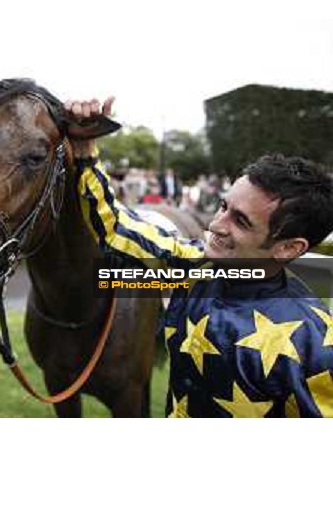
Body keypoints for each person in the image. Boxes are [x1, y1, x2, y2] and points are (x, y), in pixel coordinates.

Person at [65, 97, 333, 418]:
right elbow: (117, 227)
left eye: (241, 221)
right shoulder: (194, 264)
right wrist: (84, 148)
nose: (216, 226)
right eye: (223, 207)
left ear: (289, 248)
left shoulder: (316, 345)